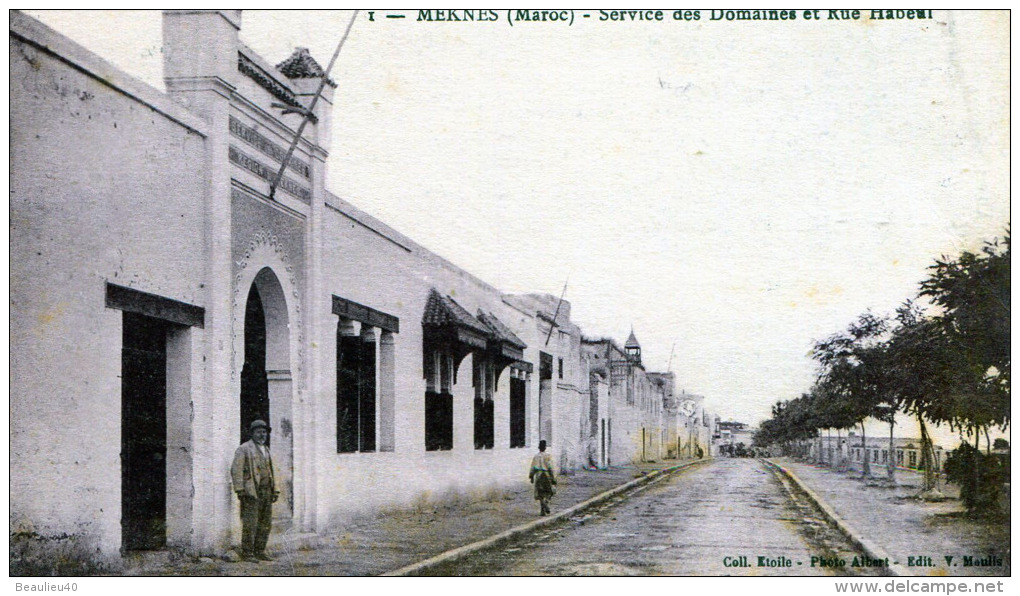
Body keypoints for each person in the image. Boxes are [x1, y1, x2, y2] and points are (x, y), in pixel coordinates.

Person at [231, 419, 278, 562]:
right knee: (251, 522)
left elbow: (271, 471)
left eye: (264, 432)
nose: (262, 435)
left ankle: (260, 551)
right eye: (258, 432)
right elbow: (236, 470)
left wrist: (275, 490)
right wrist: (240, 489)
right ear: (252, 433)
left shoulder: (266, 449)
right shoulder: (244, 448)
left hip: (267, 491)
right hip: (252, 491)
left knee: (265, 523)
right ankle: (248, 553)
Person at [529, 440, 557, 516]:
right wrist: (553, 477)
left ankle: (542, 509)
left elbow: (533, 467)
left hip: (538, 474)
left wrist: (531, 476)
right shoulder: (547, 456)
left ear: (539, 448)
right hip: (546, 474)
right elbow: (550, 467)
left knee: (540, 492)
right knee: (549, 491)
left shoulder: (536, 456)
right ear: (545, 448)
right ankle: (546, 503)